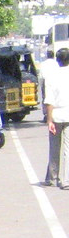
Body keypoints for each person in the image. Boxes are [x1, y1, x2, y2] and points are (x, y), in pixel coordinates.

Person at [43, 48, 69, 187]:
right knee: (68, 149)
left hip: (56, 115)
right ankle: (66, 180)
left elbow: (49, 101)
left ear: (57, 60)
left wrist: (49, 120)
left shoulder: (52, 76)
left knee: (54, 147)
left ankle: (52, 177)